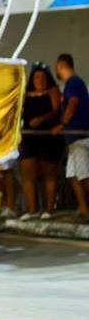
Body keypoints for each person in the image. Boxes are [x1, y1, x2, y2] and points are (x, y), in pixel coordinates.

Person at [18, 63, 65, 220]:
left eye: (43, 77)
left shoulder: (52, 91)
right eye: (37, 77)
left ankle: (49, 209)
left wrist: (42, 119)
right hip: (29, 138)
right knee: (28, 175)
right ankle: (32, 210)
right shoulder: (26, 93)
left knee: (49, 175)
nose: (40, 80)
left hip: (48, 137)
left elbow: (57, 110)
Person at [54, 53, 89, 219]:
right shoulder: (73, 83)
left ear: (61, 66)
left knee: (84, 175)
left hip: (79, 136)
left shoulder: (73, 82)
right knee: (74, 175)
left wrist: (62, 124)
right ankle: (83, 209)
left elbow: (73, 103)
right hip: (73, 139)